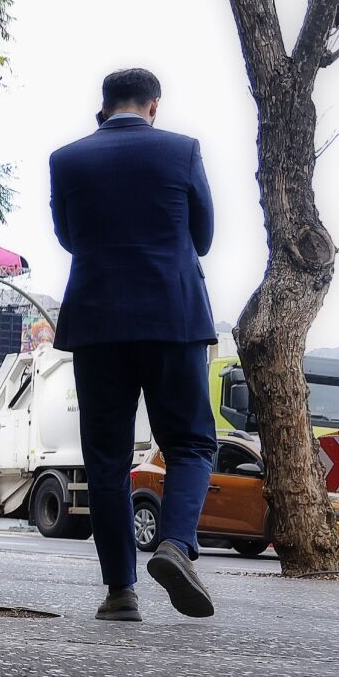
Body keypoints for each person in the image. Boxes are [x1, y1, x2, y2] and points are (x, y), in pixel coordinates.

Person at [50, 68, 218, 622]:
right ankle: (174, 544)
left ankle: (120, 592)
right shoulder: (182, 151)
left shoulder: (67, 159)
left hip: (97, 323)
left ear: (105, 106)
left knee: (106, 460)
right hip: (172, 317)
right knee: (191, 444)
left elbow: (71, 239)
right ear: (154, 105)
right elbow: (204, 237)